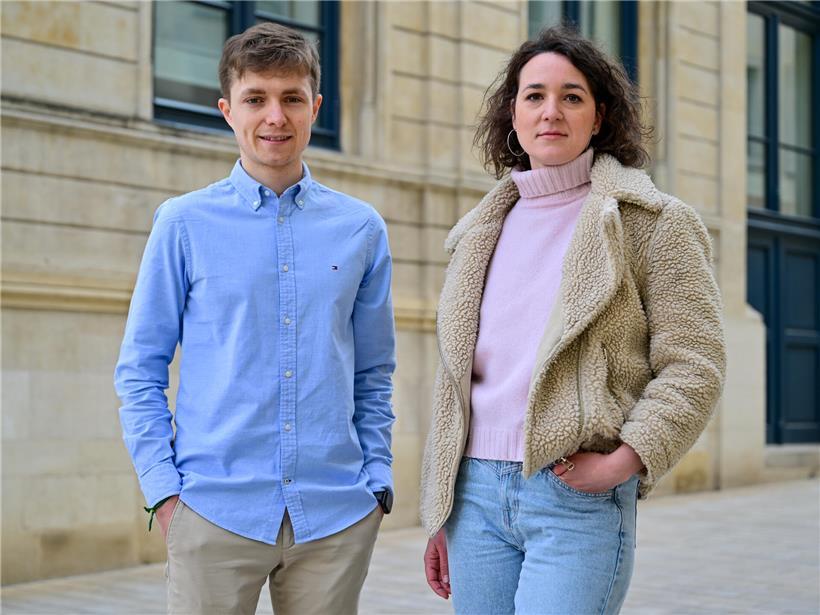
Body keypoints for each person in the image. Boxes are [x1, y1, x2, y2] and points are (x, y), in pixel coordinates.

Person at [421, 25, 726, 615]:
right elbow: (454, 382)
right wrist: (440, 509)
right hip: (475, 499)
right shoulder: (478, 231)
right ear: (512, 113)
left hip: (573, 496)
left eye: (572, 96)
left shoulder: (652, 222)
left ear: (599, 114)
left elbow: (696, 363)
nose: (550, 111)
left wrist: (625, 461)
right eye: (534, 95)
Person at [114, 22, 396, 615]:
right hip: (212, 511)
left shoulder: (362, 228)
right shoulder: (182, 224)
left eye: (292, 98)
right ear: (227, 110)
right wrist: (164, 494)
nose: (276, 116)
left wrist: (377, 481)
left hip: (335, 515)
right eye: (256, 99)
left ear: (315, 106)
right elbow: (140, 369)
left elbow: (374, 372)